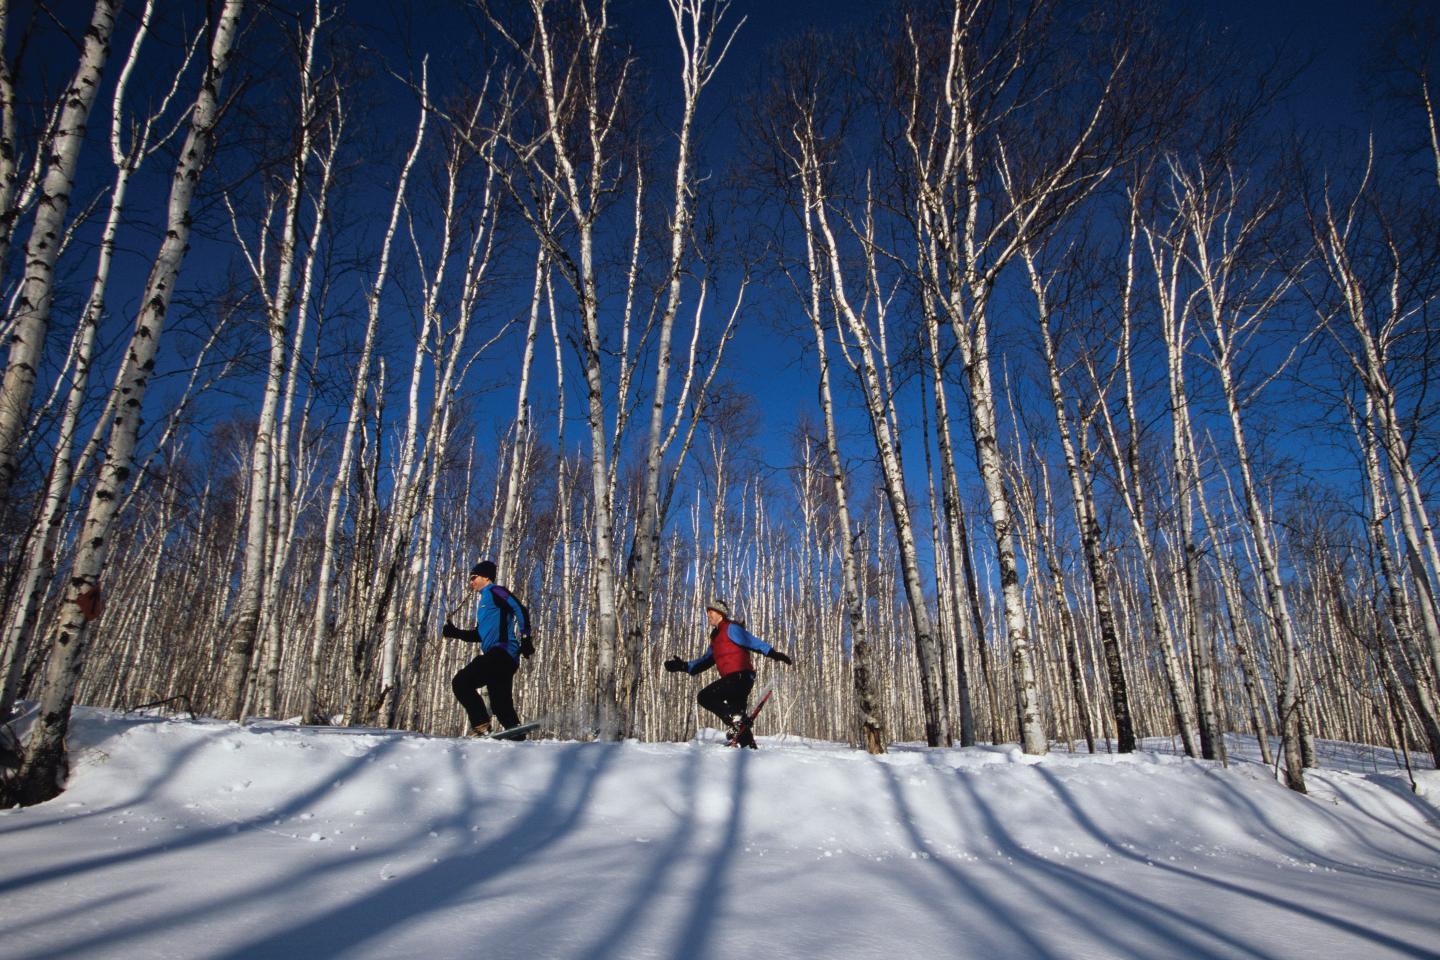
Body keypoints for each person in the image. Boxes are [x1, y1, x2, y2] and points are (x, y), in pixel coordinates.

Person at [664, 599, 792, 748]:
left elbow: (753, 642)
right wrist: (684, 666)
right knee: (740, 729)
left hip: (740, 677)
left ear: (720, 613)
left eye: (711, 611)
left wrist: (774, 654)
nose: (708, 615)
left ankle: (736, 718)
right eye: (707, 612)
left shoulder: (731, 629)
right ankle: (750, 747)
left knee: (705, 696)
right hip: (734, 681)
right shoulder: (716, 638)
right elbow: (705, 661)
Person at [444, 560, 528, 736]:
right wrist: (455, 632)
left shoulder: (496, 591)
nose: (471, 582)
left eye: (474, 577)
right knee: (500, 705)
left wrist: (526, 637)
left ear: (486, 577)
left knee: (461, 682)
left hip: (502, 652)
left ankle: (481, 724)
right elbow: (479, 634)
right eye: (470, 579)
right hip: (500, 658)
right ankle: (517, 736)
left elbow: (520, 609)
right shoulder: (483, 605)